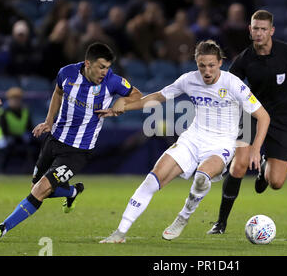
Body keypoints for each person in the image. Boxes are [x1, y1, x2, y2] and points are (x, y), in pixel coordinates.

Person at [97, 40, 270, 243]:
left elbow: (263, 116)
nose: (207, 71)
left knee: (202, 177)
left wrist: (255, 149)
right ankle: (120, 233)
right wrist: (123, 107)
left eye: (211, 65)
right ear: (196, 63)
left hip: (221, 145)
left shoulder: (233, 84)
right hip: (192, 139)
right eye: (202, 65)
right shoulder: (188, 80)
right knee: (152, 180)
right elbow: (157, 97)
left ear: (220, 63)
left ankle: (183, 217)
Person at [0, 42, 142, 241]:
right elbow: (58, 92)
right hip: (54, 140)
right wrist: (49, 121)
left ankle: (2, 228)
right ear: (88, 63)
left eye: (108, 67)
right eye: (101, 67)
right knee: (36, 186)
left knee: (40, 189)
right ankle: (71, 192)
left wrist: (120, 103)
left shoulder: (113, 82)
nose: (105, 72)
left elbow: (137, 95)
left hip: (78, 151)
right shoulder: (67, 73)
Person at [208, 10, 287, 235]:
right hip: (252, 116)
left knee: (276, 182)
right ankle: (221, 223)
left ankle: (263, 168)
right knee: (239, 165)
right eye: (255, 29)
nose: (258, 33)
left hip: (282, 119)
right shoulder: (244, 60)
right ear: (249, 30)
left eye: (263, 29)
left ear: (271, 31)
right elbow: (228, 91)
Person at [0, 87, 34, 173]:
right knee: (6, 149)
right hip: (3, 137)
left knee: (30, 148)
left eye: (18, 99)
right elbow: (5, 130)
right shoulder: (3, 112)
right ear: (8, 100)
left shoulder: (25, 111)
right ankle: (1, 171)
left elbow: (29, 127)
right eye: (13, 99)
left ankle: (29, 171)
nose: (16, 101)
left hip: (19, 136)